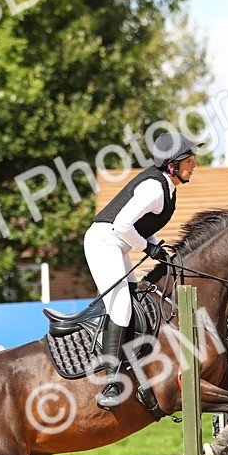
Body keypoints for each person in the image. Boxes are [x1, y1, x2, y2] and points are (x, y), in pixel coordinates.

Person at [84, 131, 201, 411]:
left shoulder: (167, 188)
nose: (194, 164)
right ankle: (110, 383)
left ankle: (130, 362)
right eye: (189, 160)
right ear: (172, 164)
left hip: (117, 244)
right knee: (121, 307)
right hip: (104, 242)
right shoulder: (153, 188)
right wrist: (148, 249)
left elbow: (143, 225)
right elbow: (122, 224)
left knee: (135, 300)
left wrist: (155, 246)